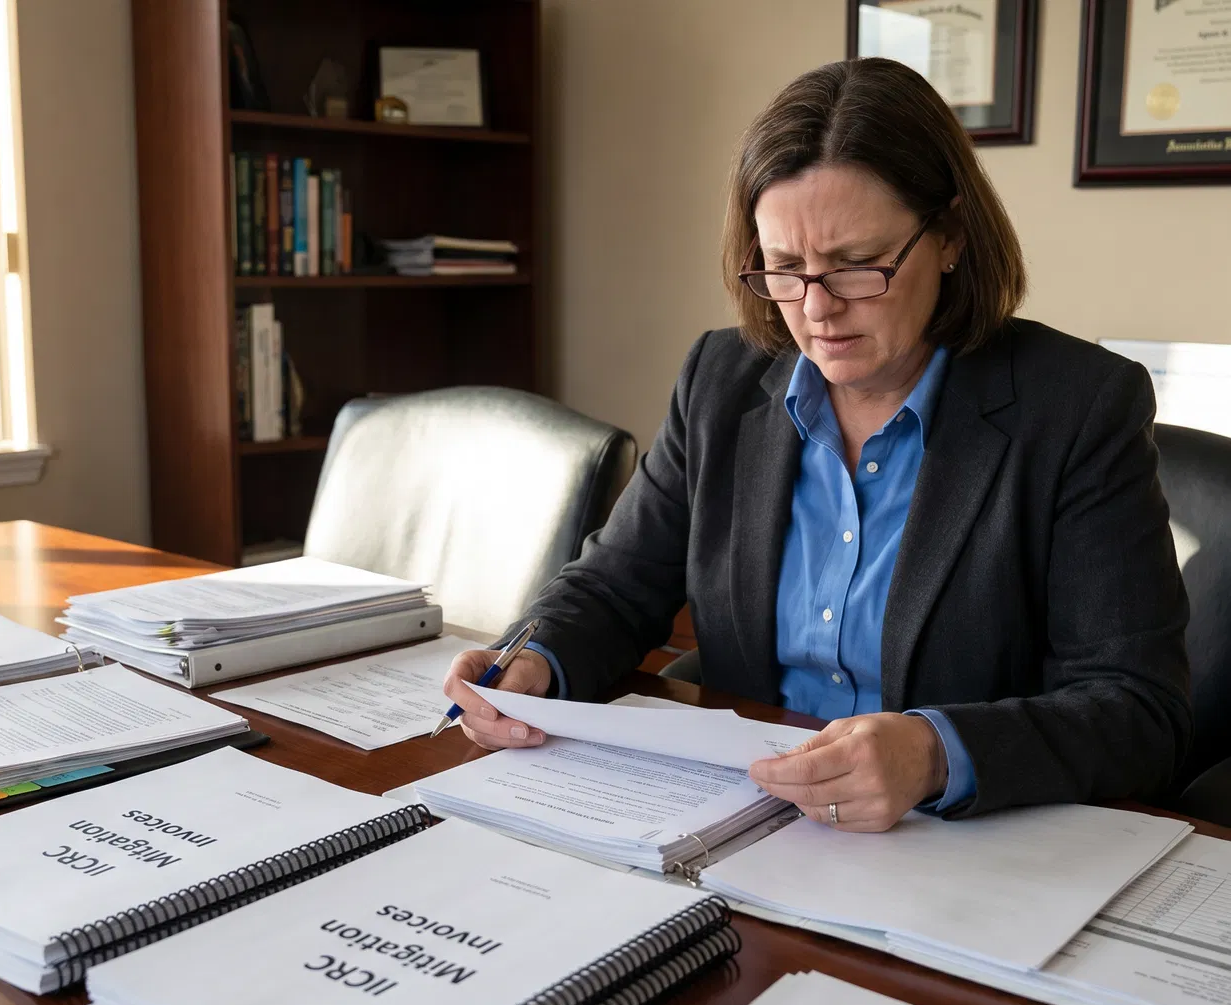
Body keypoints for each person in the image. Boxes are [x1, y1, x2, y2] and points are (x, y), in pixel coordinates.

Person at [441, 57, 1190, 831]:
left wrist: (933, 753)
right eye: (786, 268)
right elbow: (613, 587)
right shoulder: (721, 380)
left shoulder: (1079, 406)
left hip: (955, 843)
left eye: (858, 266)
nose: (818, 309)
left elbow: (1138, 711)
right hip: (744, 819)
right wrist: (530, 663)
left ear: (952, 238)